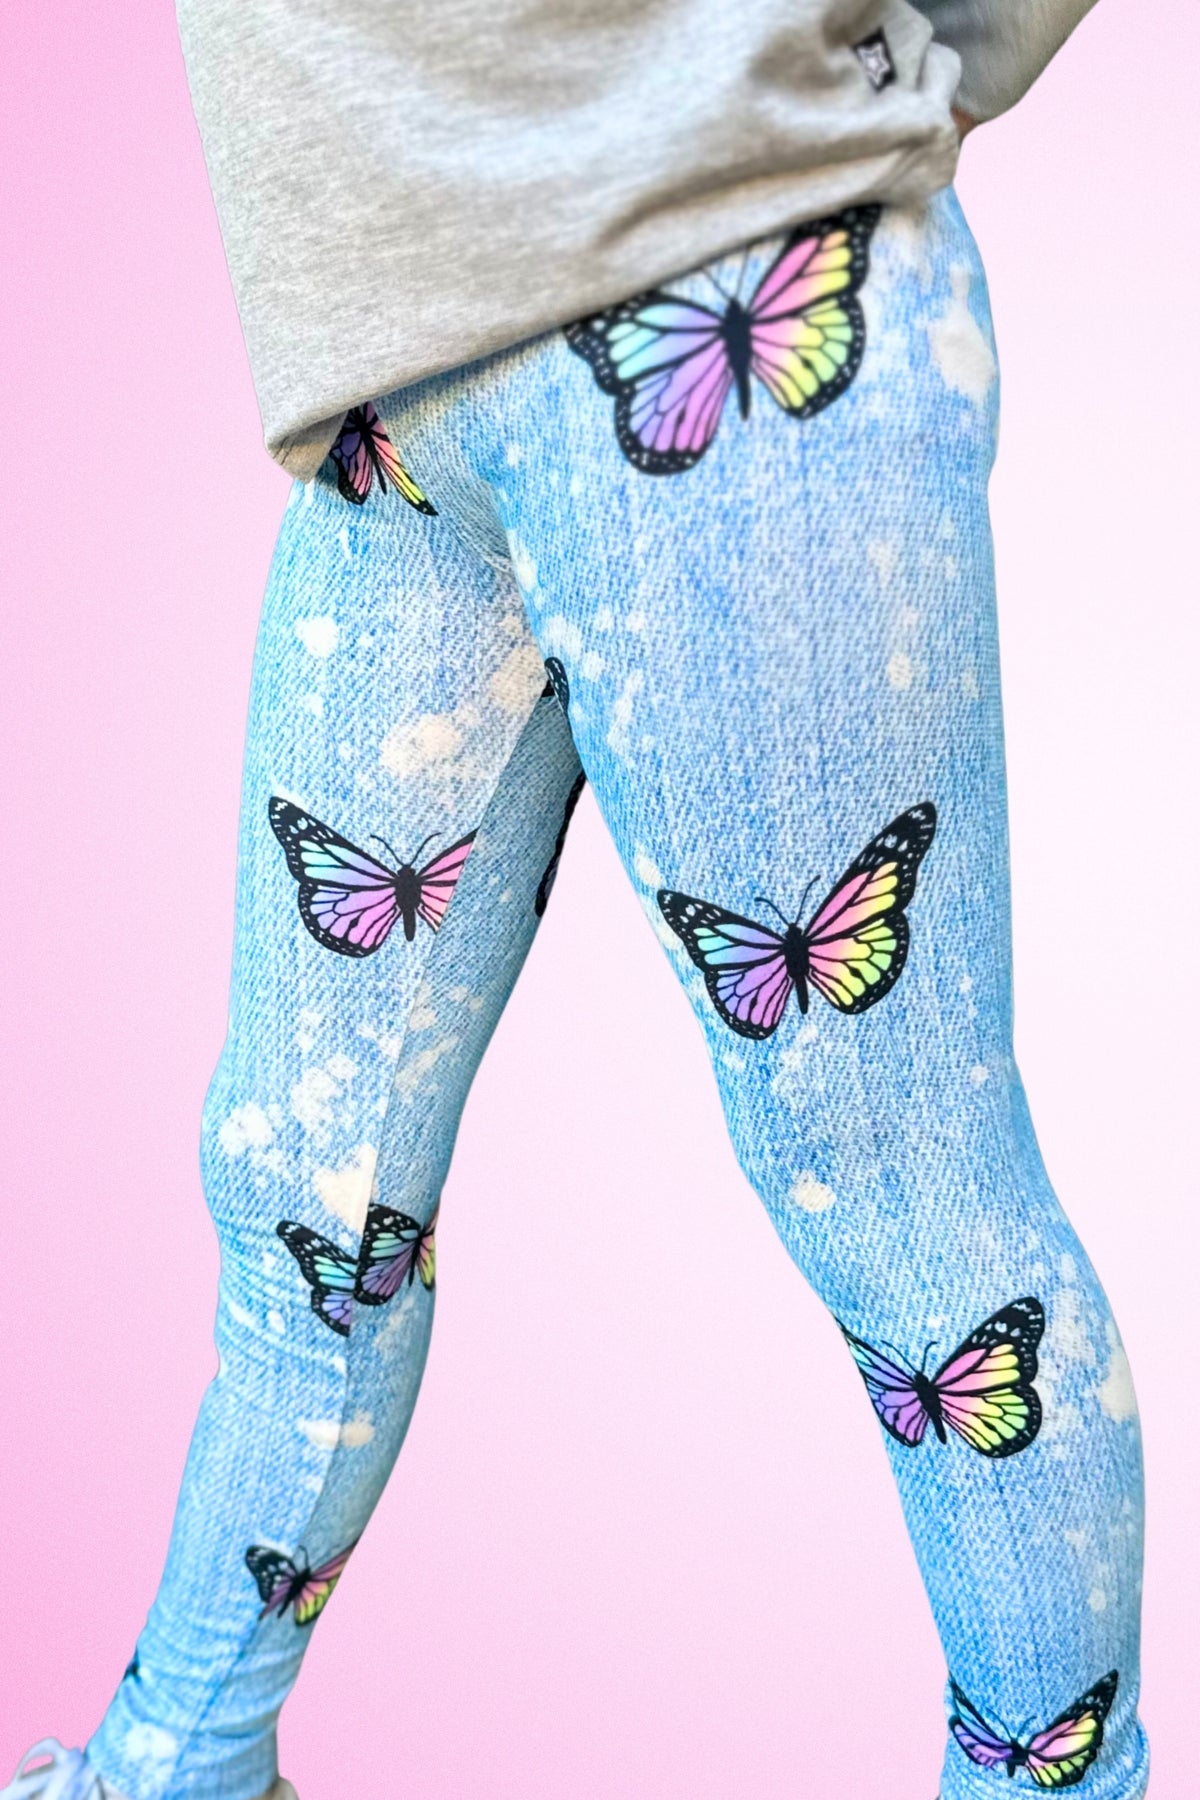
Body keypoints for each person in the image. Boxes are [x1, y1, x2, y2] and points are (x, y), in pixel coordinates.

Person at [4, 4, 1150, 1798]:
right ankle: (179, 1770)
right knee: (298, 1186)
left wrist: (865, 67)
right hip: (392, 405)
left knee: (904, 1202)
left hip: (735, 286)